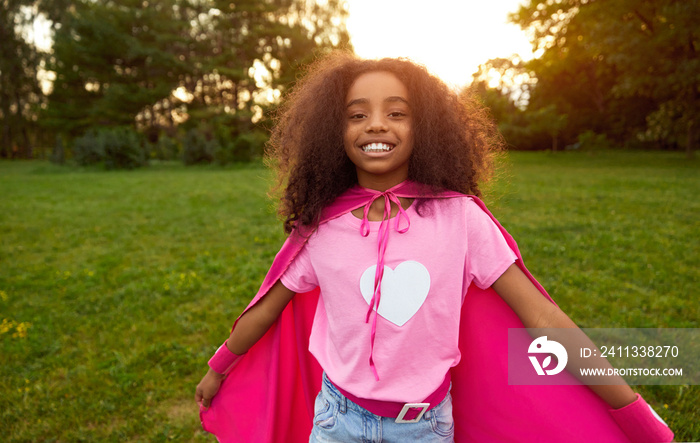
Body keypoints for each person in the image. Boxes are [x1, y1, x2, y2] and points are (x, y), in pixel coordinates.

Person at [195, 52, 674, 443]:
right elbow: (267, 307)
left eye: (397, 113)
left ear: (425, 128)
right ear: (332, 132)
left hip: (423, 428)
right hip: (334, 420)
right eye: (357, 114)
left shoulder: (461, 217)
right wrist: (220, 369)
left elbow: (544, 317)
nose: (376, 125)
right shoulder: (321, 226)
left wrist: (630, 410)